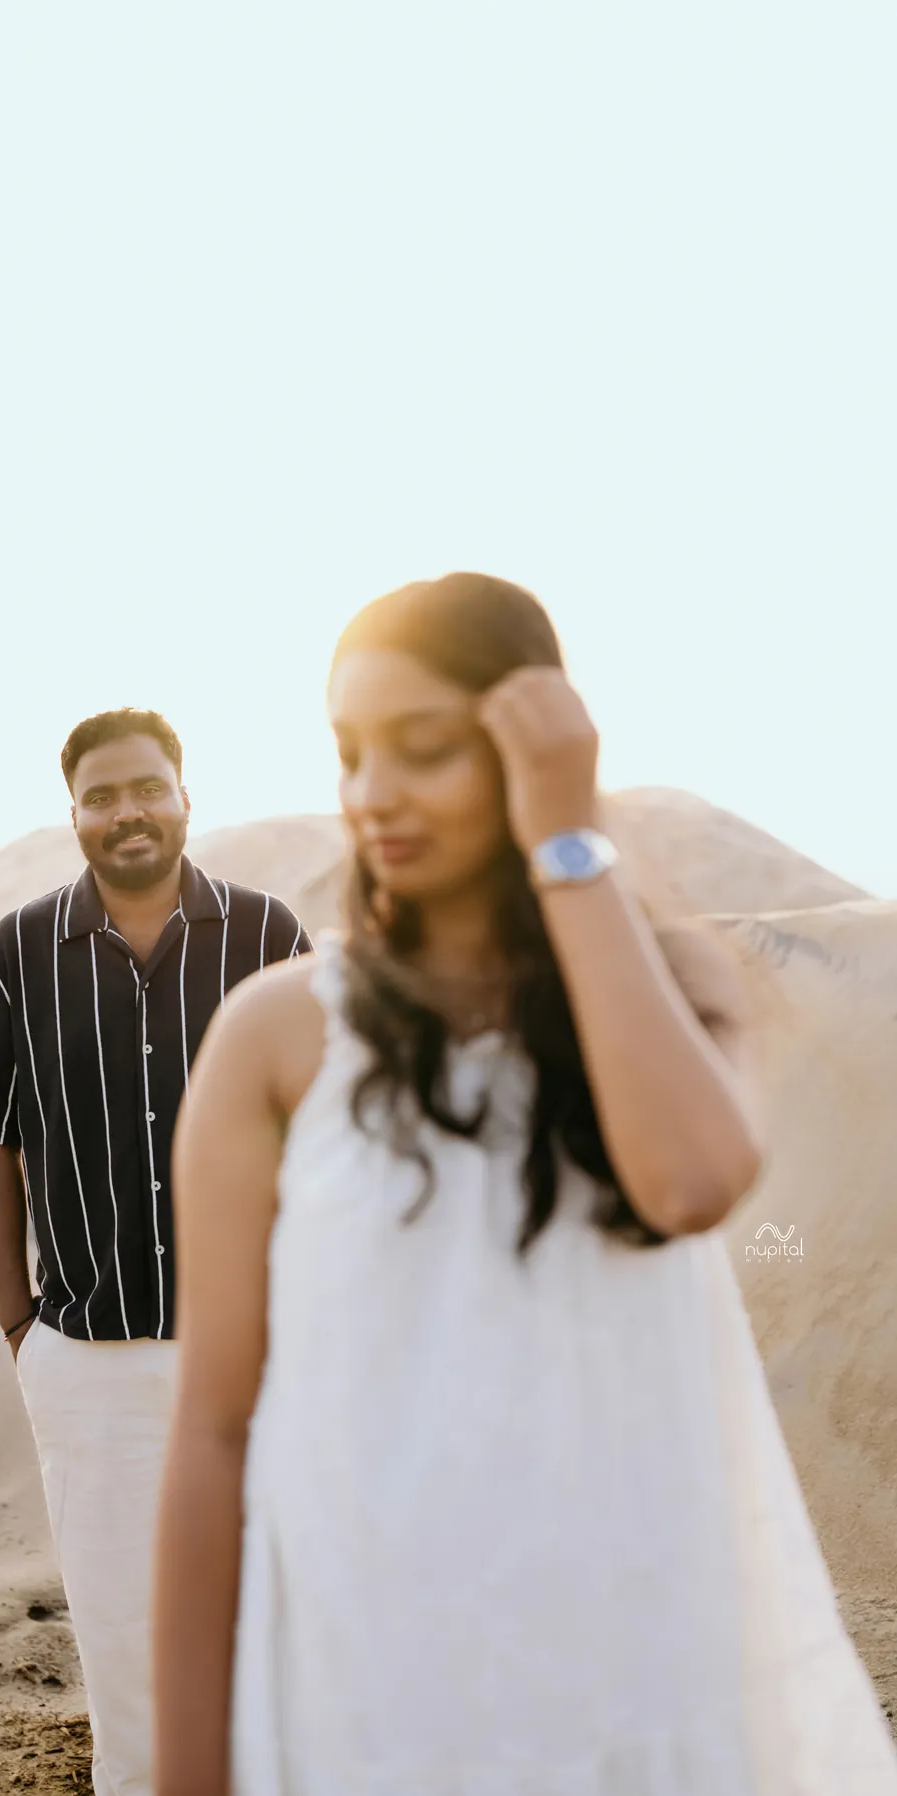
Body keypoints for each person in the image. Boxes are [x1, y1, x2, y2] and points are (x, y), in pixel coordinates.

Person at [153, 575, 897, 1796]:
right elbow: (215, 1430)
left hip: (630, 1674)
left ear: (536, 740)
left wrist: (565, 840)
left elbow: (690, 1177)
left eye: (425, 746)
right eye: (350, 752)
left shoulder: (676, 991)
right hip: (369, 1685)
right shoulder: (278, 1034)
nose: (372, 792)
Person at [0, 706, 311, 1796]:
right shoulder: (18, 950)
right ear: (75, 815)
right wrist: (21, 1329)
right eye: (101, 795)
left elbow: (330, 1131)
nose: (127, 810)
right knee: (125, 1640)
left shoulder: (268, 936)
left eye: (147, 786)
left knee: (274, 1623)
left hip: (255, 1360)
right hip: (88, 1365)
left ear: (186, 795)